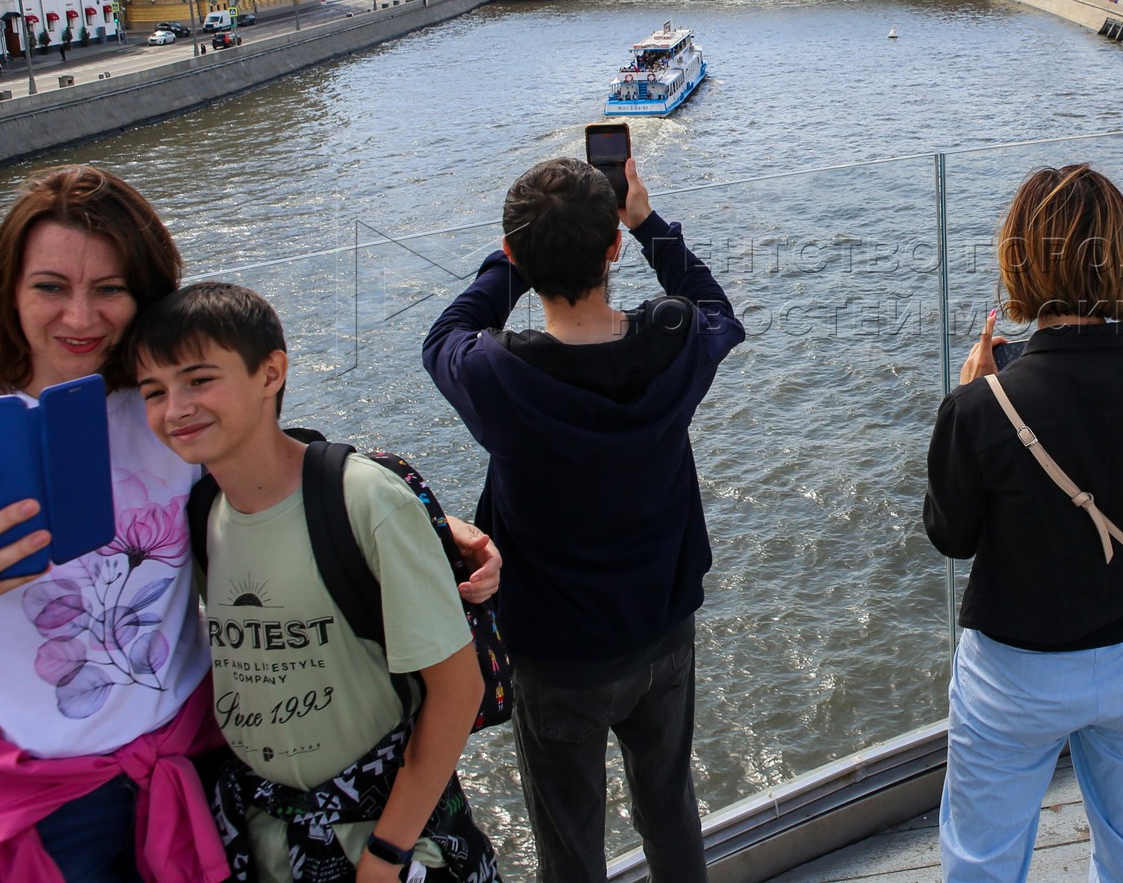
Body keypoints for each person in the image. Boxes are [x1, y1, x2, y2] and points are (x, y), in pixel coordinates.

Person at [422, 156, 744, 883]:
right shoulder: (674, 341)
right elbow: (717, 308)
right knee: (668, 804)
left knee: (569, 840)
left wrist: (517, 256)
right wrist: (646, 221)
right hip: (663, 630)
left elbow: (448, 331)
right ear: (613, 250)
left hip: (556, 652)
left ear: (512, 255)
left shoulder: (494, 375)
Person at [128, 283, 497, 882]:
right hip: (263, 833)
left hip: (385, 834)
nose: (175, 409)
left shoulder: (363, 499)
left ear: (271, 372)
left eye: (199, 380)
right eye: (153, 391)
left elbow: (458, 690)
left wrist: (388, 852)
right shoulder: (198, 515)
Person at [0, 165, 228, 883]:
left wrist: (419, 517)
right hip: (38, 803)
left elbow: (280, 473)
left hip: (186, 763)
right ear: (9, 292)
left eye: (110, 289)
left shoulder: (172, 411)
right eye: (51, 287)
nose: (81, 318)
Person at [924, 165, 1123, 882]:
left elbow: (951, 535)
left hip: (1015, 671)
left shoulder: (983, 406)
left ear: (1019, 256)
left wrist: (967, 397)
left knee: (982, 860)